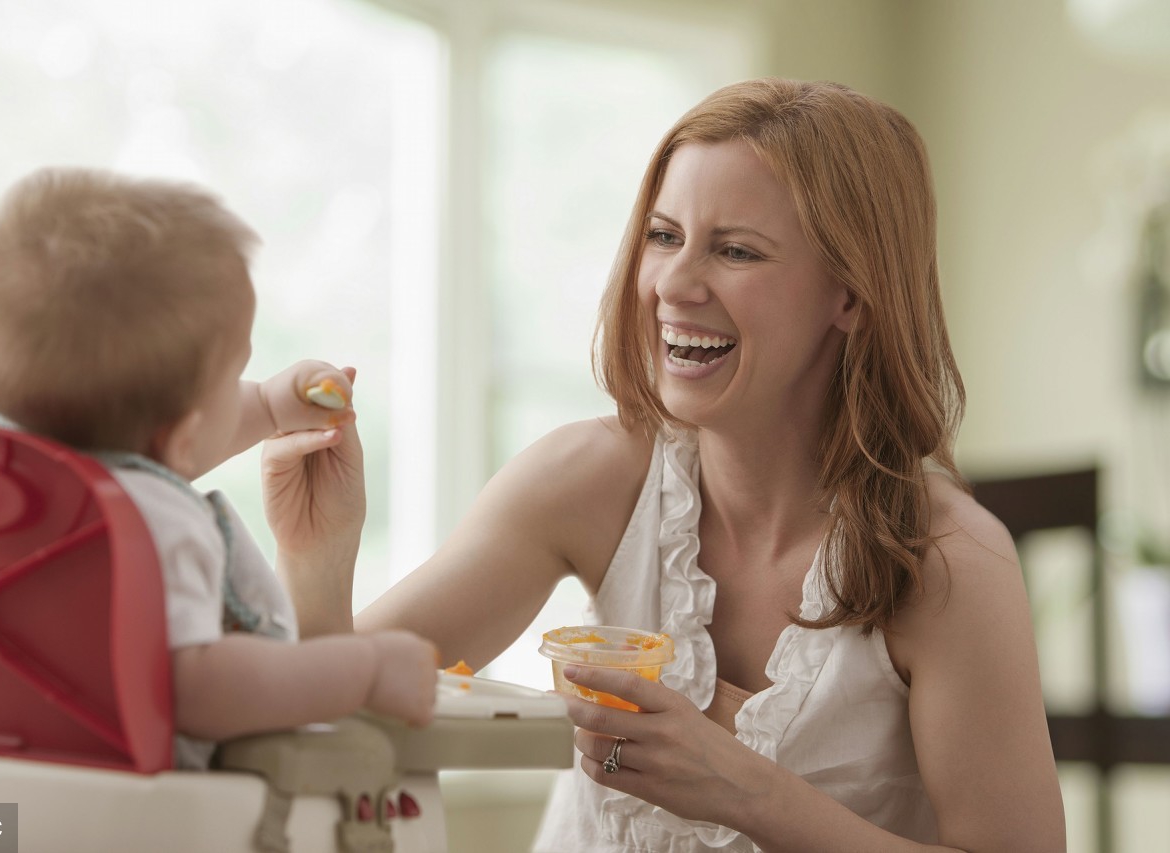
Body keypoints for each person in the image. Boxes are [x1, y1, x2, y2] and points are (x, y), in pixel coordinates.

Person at [283, 78, 1067, 851]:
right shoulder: (589, 480)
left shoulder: (947, 560)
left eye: (735, 250)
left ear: (852, 297)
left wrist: (747, 790)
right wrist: (318, 560)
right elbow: (331, 710)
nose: (674, 285)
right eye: (664, 236)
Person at [0, 167, 438, 770]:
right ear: (183, 433)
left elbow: (149, 453)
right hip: (144, 818)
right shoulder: (155, 524)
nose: (245, 386)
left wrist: (268, 405)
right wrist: (363, 671)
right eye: (237, 370)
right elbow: (193, 686)